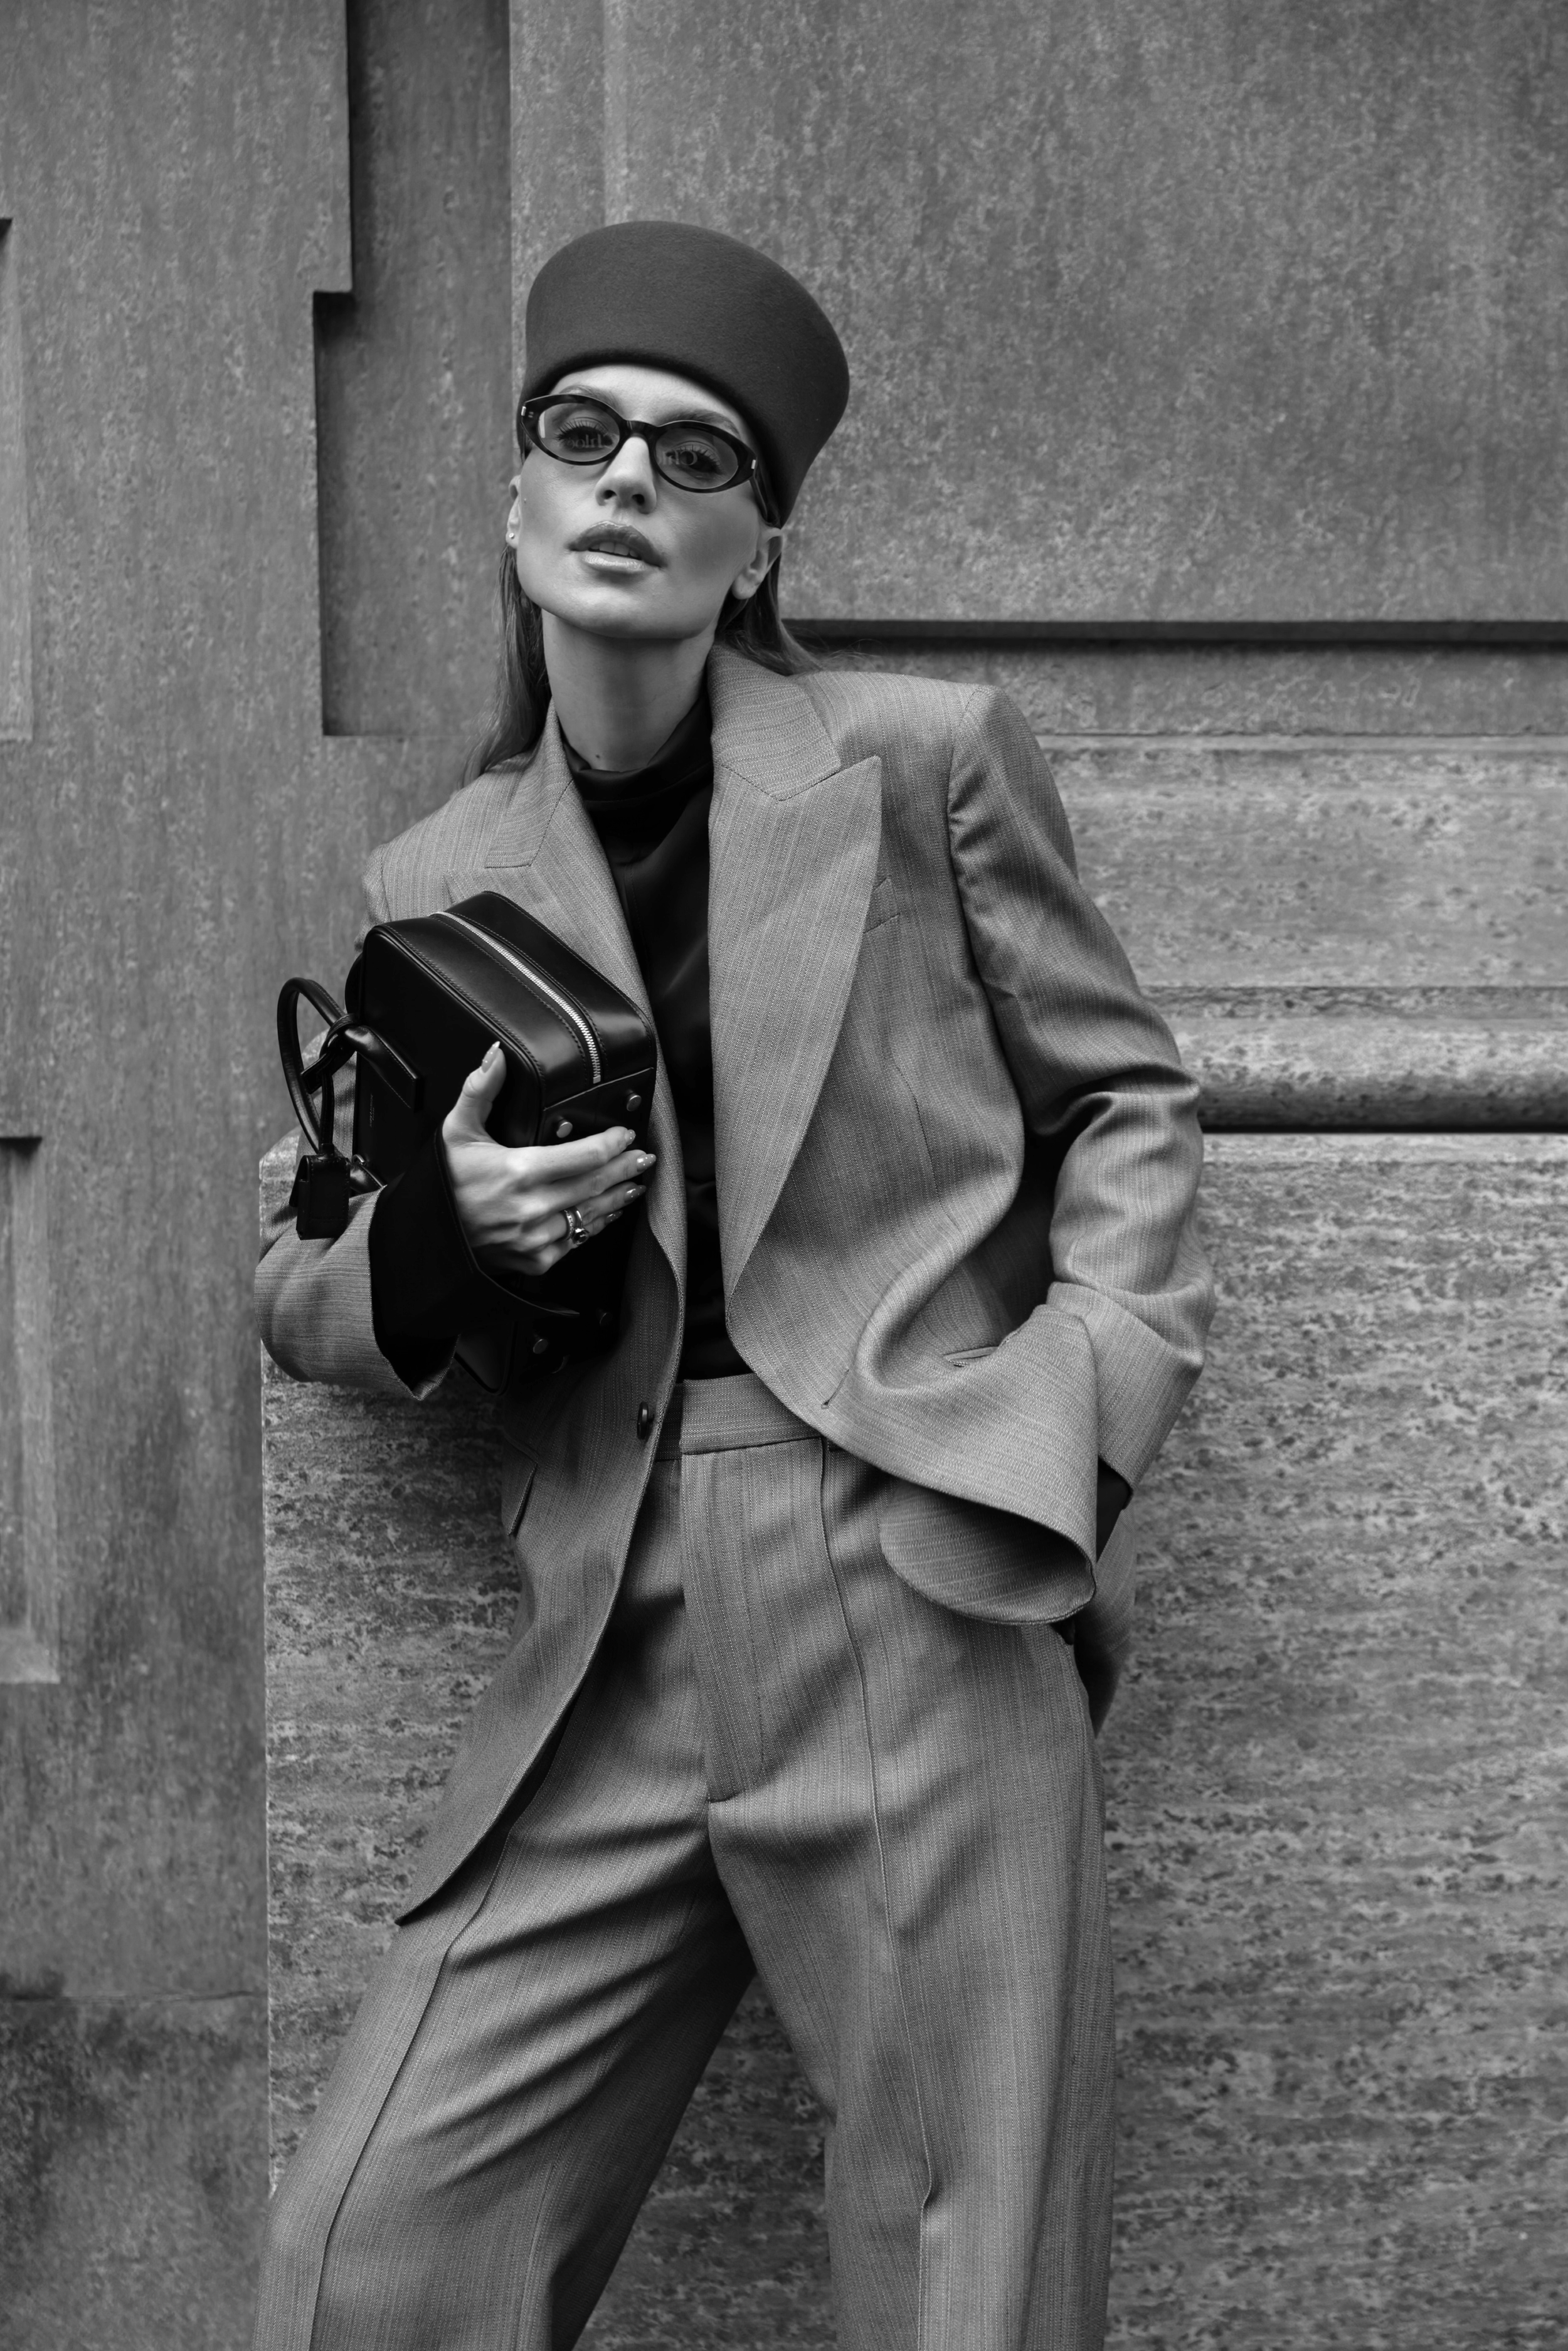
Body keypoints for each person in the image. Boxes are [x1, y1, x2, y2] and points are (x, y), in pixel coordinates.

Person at [252, 219, 1214, 2351]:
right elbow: (297, 1271)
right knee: (371, 2253)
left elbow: (1126, 1103)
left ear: (758, 542)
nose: (625, 482)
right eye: (579, 436)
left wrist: (1070, 1426)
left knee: (969, 2265)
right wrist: (445, 1232)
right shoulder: (435, 877)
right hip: (604, 1620)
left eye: (693, 458)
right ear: (514, 503)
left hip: (911, 1564)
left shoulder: (918, 756)